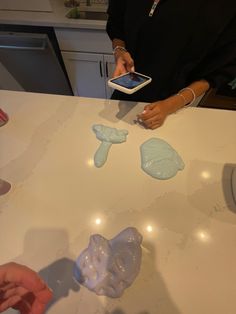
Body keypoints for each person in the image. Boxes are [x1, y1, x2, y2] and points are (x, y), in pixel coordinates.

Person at [106, 0, 236, 129]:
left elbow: (219, 69)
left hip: (177, 105)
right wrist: (120, 50)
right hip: (125, 95)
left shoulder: (221, 6)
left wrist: (171, 105)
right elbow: (117, 24)